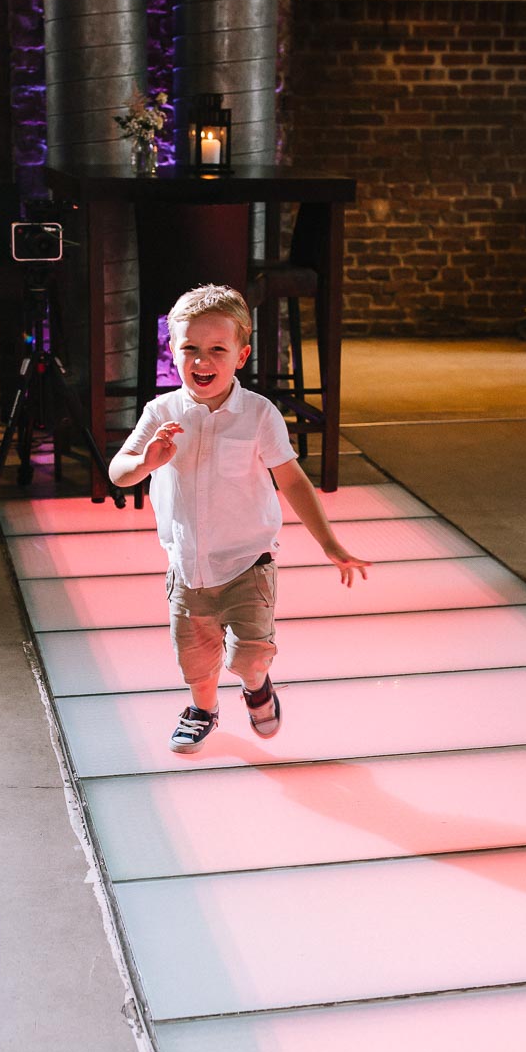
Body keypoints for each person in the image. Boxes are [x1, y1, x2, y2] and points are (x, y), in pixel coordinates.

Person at [109, 284, 371, 751]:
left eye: (216, 349)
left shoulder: (257, 415)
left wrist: (330, 544)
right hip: (188, 566)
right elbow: (119, 471)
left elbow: (291, 481)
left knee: (249, 656)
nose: (201, 361)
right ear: (173, 350)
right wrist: (147, 462)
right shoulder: (161, 411)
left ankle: (257, 685)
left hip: (249, 563)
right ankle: (202, 710)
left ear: (241, 354)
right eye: (189, 348)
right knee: (195, 658)